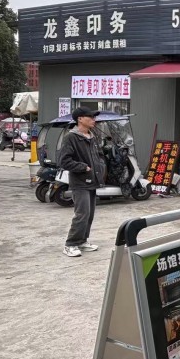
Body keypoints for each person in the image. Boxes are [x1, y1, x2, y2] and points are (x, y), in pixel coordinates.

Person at [60, 107, 106, 257]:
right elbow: (64, 161)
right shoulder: (71, 137)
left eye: (94, 117)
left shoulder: (92, 136)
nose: (94, 120)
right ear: (80, 119)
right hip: (80, 182)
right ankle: (70, 244)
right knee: (82, 214)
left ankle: (82, 241)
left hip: (92, 180)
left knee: (89, 214)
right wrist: (83, 167)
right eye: (90, 117)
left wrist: (100, 167)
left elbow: (99, 156)